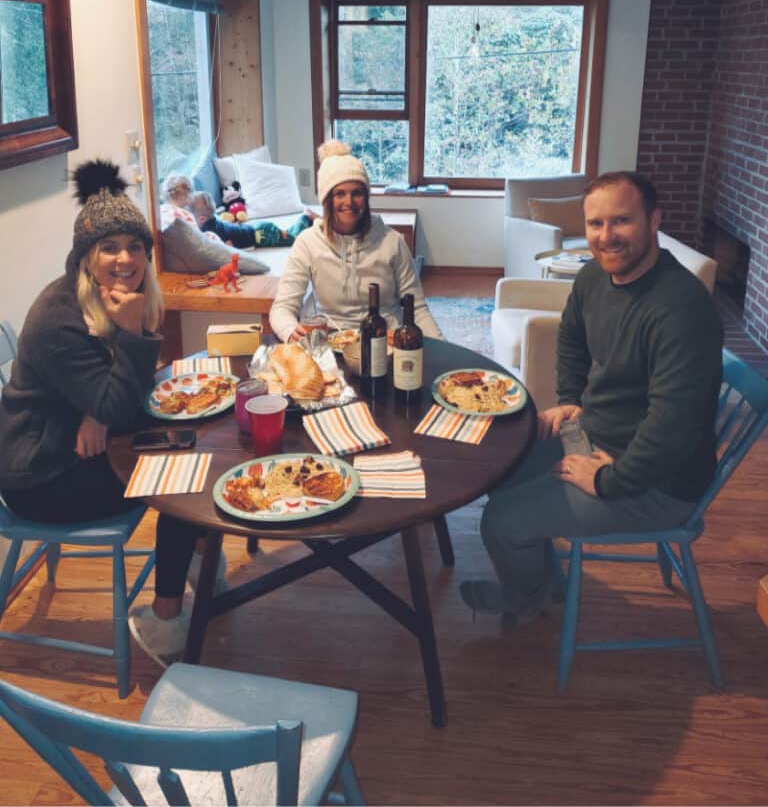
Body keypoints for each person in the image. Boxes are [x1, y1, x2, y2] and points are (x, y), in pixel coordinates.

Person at [460, 170, 723, 621]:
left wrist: (607, 482)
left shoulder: (680, 309)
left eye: (621, 221)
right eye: (595, 224)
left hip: (657, 482)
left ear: (654, 219)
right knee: (496, 470)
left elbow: (672, 430)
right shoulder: (595, 278)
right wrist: (568, 397)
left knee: (501, 521)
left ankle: (528, 599)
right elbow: (571, 338)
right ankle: (541, 582)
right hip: (598, 435)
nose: (606, 237)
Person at [0, 159, 217, 667]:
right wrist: (128, 344)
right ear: (85, 256)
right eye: (109, 248)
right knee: (181, 478)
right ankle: (166, 623)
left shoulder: (117, 298)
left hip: (79, 441)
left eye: (135, 246)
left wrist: (98, 411)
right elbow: (121, 400)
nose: (125, 259)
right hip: (41, 475)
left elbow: (119, 398)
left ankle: (198, 558)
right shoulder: (58, 315)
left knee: (194, 435)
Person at [269, 140, 442, 342]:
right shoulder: (307, 243)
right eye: (339, 194)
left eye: (357, 193)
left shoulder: (393, 242)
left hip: (385, 342)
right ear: (326, 200)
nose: (348, 202)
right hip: (332, 344)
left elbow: (418, 308)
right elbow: (282, 307)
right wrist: (289, 330)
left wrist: (443, 349)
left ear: (366, 197)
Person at [189, 190, 317, 250]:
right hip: (255, 228)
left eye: (190, 216)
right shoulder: (213, 219)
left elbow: (225, 248)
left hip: (262, 235)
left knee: (292, 239)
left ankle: (305, 217)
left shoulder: (210, 232)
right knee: (286, 233)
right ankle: (308, 224)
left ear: (202, 218)